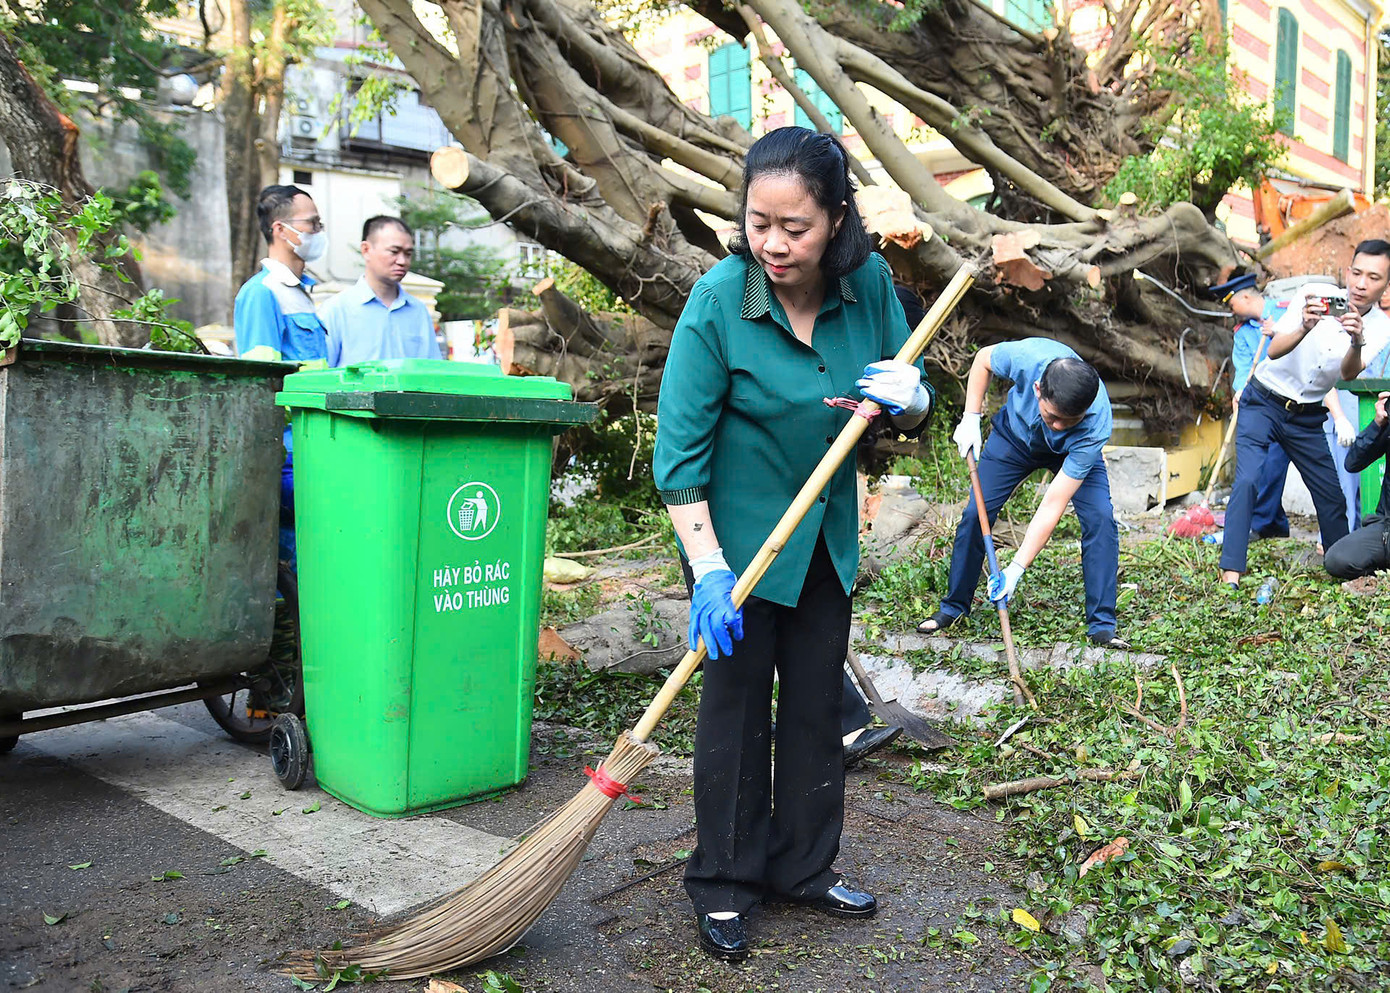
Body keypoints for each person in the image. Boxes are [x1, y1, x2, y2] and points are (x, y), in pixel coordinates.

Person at [652, 126, 934, 962]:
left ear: (836, 218)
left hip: (822, 538)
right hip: (730, 543)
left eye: (796, 227)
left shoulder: (870, 283)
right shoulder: (720, 301)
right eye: (758, 222)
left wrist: (912, 401)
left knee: (815, 708)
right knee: (734, 713)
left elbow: (904, 407)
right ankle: (726, 884)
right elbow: (679, 459)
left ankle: (804, 869)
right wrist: (707, 569)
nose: (772, 243)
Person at [917, 339, 1125, 649]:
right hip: (1014, 438)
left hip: (1072, 453)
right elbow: (983, 357)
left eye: (1069, 422)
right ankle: (954, 607)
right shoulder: (1029, 358)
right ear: (1038, 389)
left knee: (1100, 518)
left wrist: (1016, 569)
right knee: (977, 514)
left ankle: (1102, 625)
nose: (1057, 427)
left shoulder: (1095, 424)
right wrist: (971, 417)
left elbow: (1053, 503)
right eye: (1052, 417)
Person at [1219, 240, 1390, 587]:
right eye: (1356, 273)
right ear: (1347, 271)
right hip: (1264, 401)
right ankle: (1231, 572)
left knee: (1330, 494)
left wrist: (1356, 340)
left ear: (1386, 285)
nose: (1361, 283)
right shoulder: (1312, 293)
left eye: (1373, 277)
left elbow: (1347, 375)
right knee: (1249, 479)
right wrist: (1304, 327)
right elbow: (1275, 350)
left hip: (1308, 416)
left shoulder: (1381, 327)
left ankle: (1343, 568)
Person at [233, 184, 330, 563]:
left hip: (316, 447)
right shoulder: (262, 294)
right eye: (312, 223)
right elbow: (264, 390)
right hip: (288, 455)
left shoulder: (302, 292)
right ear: (280, 229)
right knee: (291, 564)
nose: (318, 232)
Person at [320, 216, 443, 367]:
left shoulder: (418, 311)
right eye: (394, 251)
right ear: (366, 250)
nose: (402, 261)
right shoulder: (336, 310)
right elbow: (322, 375)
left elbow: (431, 370)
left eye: (408, 254)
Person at [1324, 390, 1390, 579]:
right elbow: (1353, 463)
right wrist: (1378, 424)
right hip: (1386, 528)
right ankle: (1378, 576)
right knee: (1337, 559)